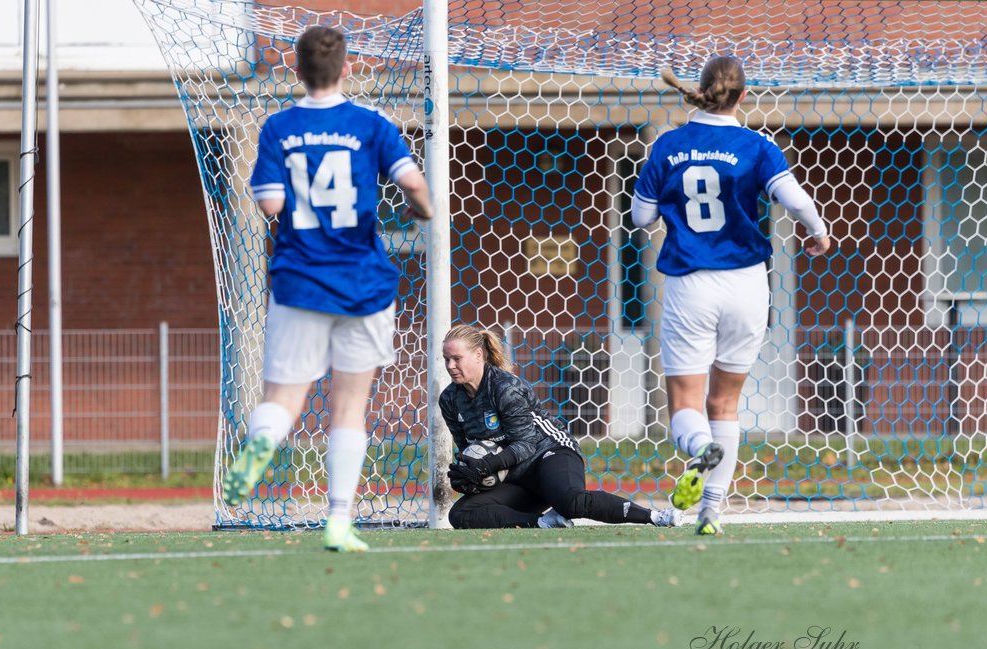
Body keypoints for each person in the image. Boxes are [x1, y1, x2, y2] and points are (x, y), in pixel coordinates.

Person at [223, 25, 433, 553]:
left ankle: (260, 444)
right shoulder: (371, 124)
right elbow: (414, 186)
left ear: (297, 69)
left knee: (284, 398)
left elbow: (269, 204)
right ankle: (339, 522)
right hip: (362, 283)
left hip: (299, 281)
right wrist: (420, 210)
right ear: (346, 69)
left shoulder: (278, 128)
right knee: (349, 408)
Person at [633, 57, 831, 535]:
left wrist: (666, 210)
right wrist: (819, 232)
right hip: (747, 284)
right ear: (744, 97)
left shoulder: (667, 146)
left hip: (690, 284)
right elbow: (796, 199)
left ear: (700, 91)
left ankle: (700, 449)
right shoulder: (757, 146)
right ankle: (711, 513)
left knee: (684, 404)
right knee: (725, 405)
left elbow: (641, 219)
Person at [439, 324, 686, 530]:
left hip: (550, 454)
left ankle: (655, 516)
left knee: (571, 502)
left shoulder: (505, 388)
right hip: (516, 475)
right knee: (462, 514)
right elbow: (472, 450)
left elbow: (526, 444)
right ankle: (543, 522)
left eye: (457, 358)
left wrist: (488, 465)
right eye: (446, 359)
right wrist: (470, 476)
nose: (450, 366)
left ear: (479, 355)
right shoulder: (449, 400)